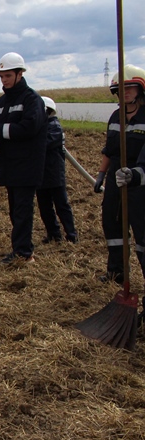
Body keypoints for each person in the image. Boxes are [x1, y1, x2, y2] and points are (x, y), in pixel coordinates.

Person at [0, 52, 47, 264]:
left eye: (8, 76)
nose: (4, 80)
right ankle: (21, 248)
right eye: (1, 76)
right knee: (15, 210)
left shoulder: (32, 100)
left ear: (20, 74)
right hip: (9, 165)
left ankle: (24, 253)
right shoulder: (1, 103)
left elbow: (28, 128)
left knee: (22, 210)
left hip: (27, 165)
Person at [92, 65, 145, 284]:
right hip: (116, 176)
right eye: (121, 89)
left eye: (130, 87)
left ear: (141, 89)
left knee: (142, 231)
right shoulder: (116, 116)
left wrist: (134, 174)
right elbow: (109, 150)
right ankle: (117, 271)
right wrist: (101, 174)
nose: (125, 92)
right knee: (112, 223)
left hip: (139, 180)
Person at [36, 96, 78, 244]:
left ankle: (71, 235)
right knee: (45, 206)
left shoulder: (54, 126)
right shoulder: (41, 127)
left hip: (54, 172)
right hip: (41, 173)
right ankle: (53, 234)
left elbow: (44, 144)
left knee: (61, 205)